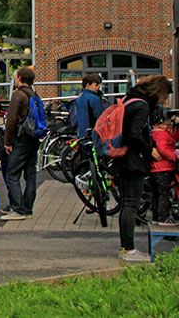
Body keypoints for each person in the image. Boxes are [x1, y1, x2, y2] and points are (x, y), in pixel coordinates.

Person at [117, 75, 172, 262]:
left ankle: (126, 247)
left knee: (127, 204)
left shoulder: (130, 99)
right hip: (133, 160)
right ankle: (129, 249)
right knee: (131, 204)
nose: (164, 100)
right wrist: (149, 151)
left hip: (123, 157)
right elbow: (134, 133)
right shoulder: (141, 106)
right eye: (164, 95)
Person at [0, 67, 40, 221]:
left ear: (19, 78)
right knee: (30, 174)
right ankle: (28, 208)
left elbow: (11, 120)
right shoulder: (34, 94)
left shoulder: (18, 95)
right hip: (33, 138)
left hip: (21, 138)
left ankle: (18, 208)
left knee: (12, 174)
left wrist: (7, 141)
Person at [150, 113, 179, 227]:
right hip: (163, 168)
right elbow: (163, 149)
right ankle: (164, 218)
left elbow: (174, 137)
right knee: (164, 194)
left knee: (157, 194)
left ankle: (156, 217)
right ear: (158, 124)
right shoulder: (160, 134)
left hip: (156, 169)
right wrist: (174, 157)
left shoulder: (157, 133)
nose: (168, 127)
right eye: (165, 125)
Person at [74, 73, 105, 138]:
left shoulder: (80, 97)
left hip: (81, 133)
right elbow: (100, 117)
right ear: (88, 85)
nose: (98, 87)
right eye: (96, 85)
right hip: (92, 133)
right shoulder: (94, 98)